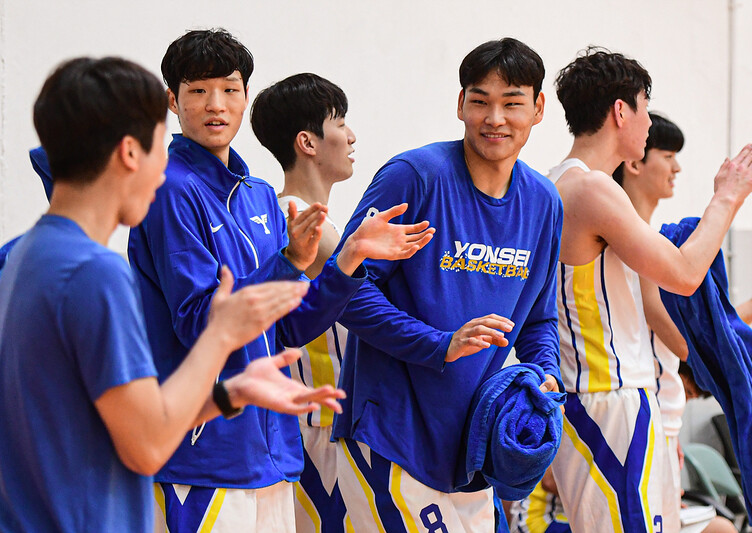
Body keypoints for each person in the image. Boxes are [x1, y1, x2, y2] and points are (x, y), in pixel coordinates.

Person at [0, 56, 346, 532]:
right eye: (160, 145)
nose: (167, 164)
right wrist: (221, 336)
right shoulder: (94, 273)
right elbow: (147, 444)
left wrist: (231, 392)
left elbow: (134, 419)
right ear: (130, 152)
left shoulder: (19, 256)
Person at [127, 29, 434, 532]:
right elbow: (201, 323)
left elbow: (287, 327)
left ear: (245, 96)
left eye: (228, 90)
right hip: (201, 458)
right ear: (173, 102)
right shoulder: (169, 189)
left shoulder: (257, 195)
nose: (215, 105)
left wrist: (348, 259)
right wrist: (288, 261)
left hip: (271, 456)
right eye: (198, 91)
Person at [331, 37, 562, 532]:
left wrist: (545, 373)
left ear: (538, 109)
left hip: (476, 446)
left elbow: (539, 318)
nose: (494, 118)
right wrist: (440, 344)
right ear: (460, 104)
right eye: (480, 101)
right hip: (392, 434)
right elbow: (345, 289)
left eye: (512, 103)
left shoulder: (544, 202)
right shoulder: (414, 176)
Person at [549, 47, 752, 533]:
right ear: (621, 111)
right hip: (606, 396)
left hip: (610, 397)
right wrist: (728, 196)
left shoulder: (561, 182)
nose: (649, 122)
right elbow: (685, 273)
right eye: (646, 109)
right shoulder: (592, 189)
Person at [250, 72, 358, 532]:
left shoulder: (298, 215)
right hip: (318, 426)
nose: (351, 137)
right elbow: (377, 303)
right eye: (341, 123)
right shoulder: (299, 217)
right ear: (307, 142)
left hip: (317, 422)